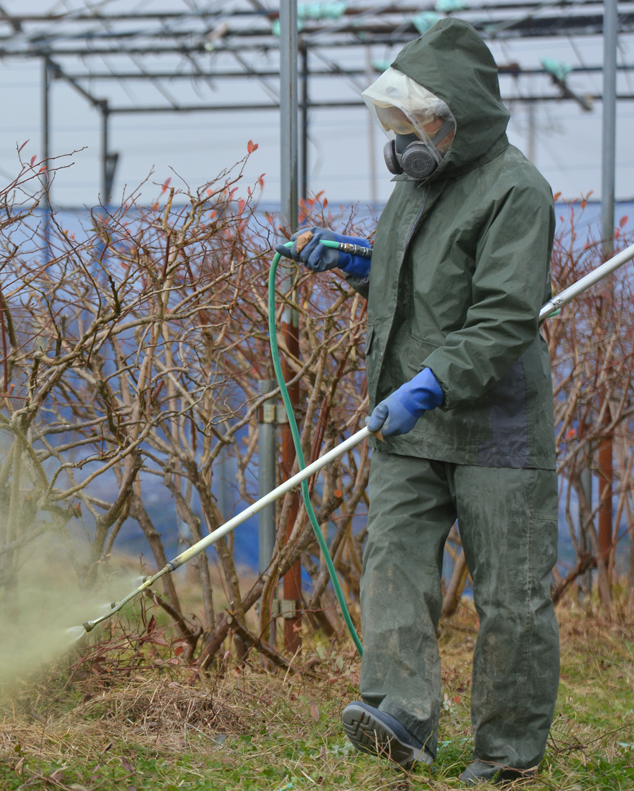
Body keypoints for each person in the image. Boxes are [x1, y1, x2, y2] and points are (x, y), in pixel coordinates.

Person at [277, 18, 559, 786]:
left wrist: (431, 382)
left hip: (493, 424)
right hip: (411, 419)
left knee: (511, 593)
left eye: (416, 119)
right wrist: (355, 263)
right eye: (394, 121)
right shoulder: (414, 187)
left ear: (461, 114)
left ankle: (507, 751)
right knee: (394, 562)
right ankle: (399, 716)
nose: (403, 136)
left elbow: (502, 316)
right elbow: (417, 288)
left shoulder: (516, 191)